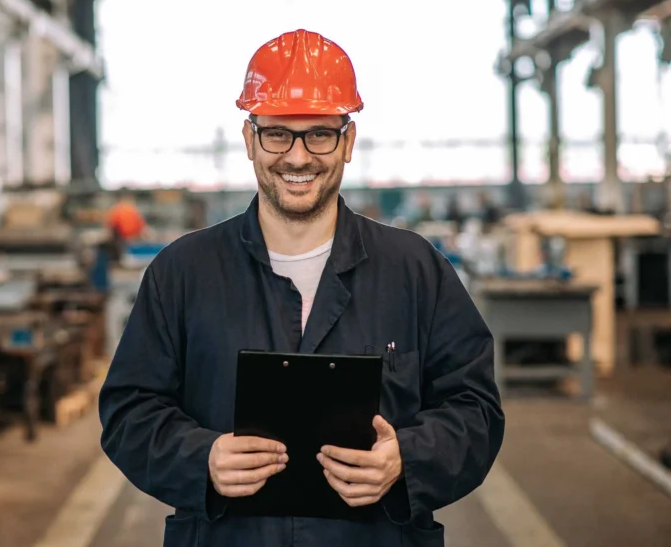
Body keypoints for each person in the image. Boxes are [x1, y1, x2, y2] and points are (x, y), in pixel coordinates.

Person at [98, 29, 504, 546]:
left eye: (319, 133)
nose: (297, 157)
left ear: (347, 141)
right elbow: (129, 410)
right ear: (250, 139)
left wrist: (409, 457)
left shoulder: (416, 270)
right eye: (277, 134)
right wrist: (200, 458)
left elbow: (477, 411)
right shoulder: (183, 273)